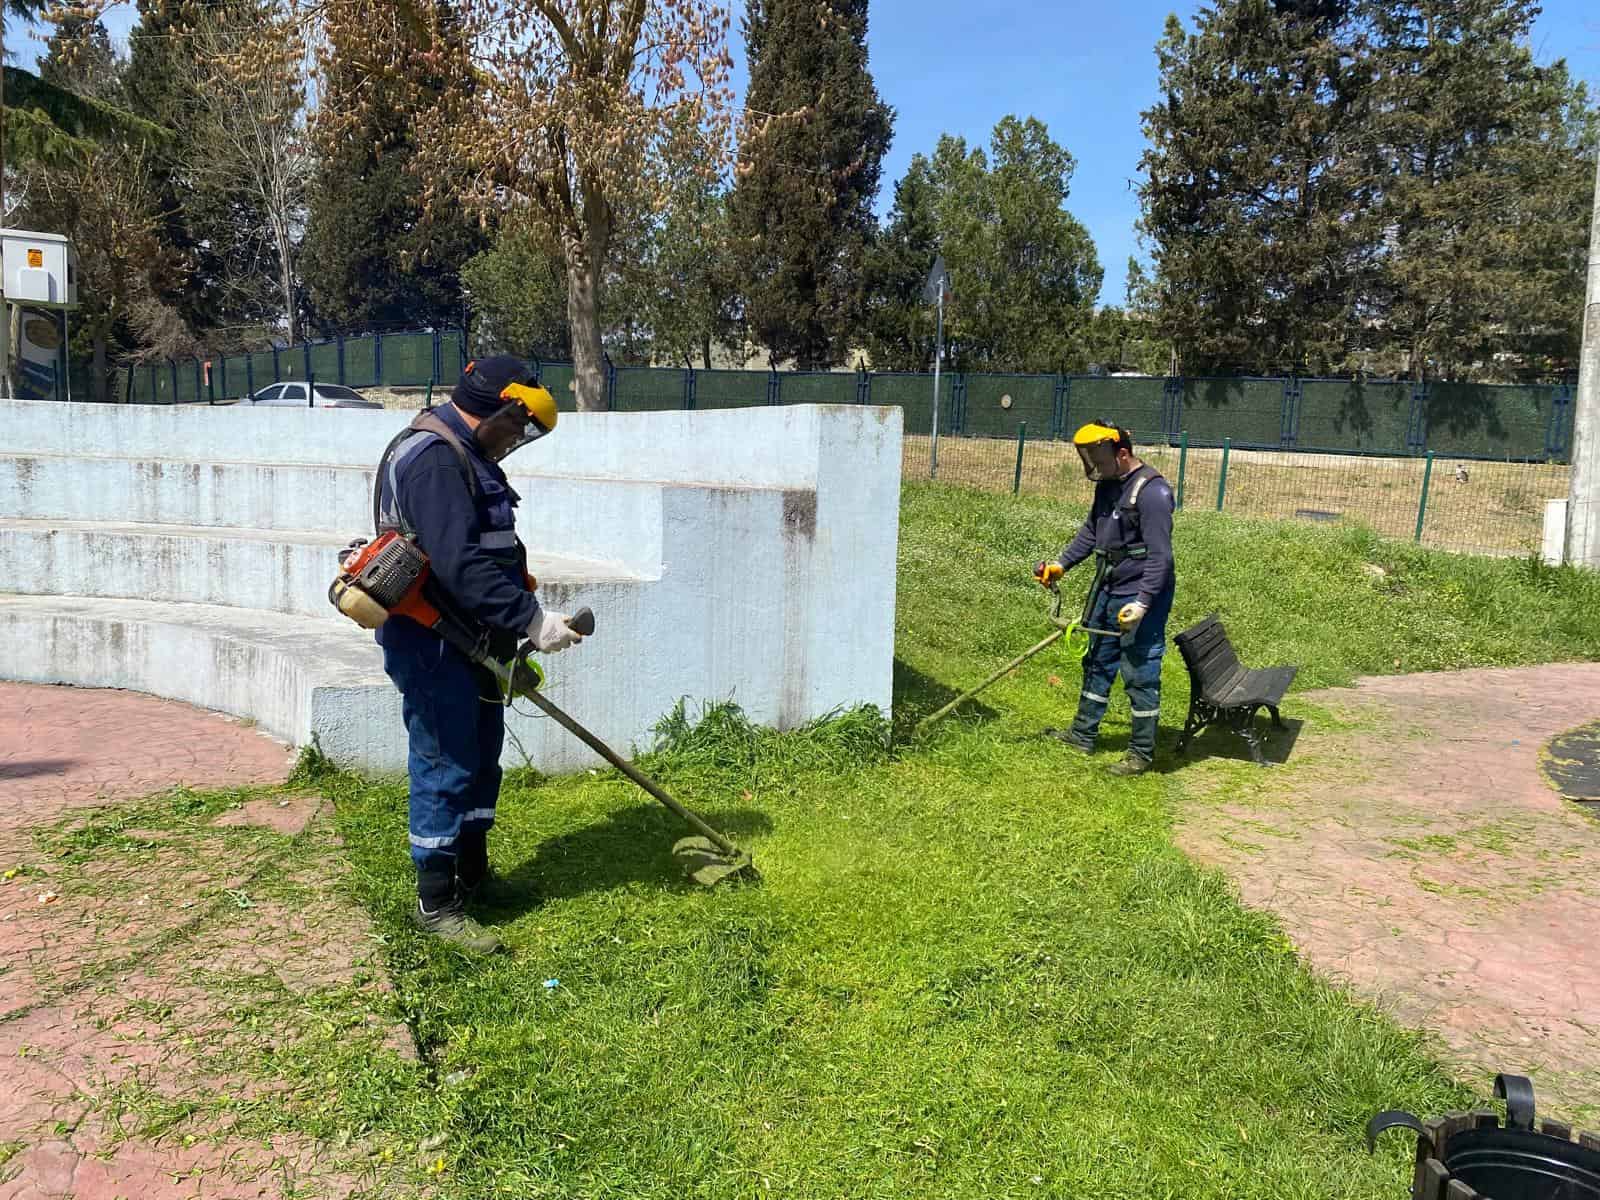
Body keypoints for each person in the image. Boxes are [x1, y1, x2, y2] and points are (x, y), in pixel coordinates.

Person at [372, 355, 585, 953]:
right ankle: (436, 904)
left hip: (479, 638)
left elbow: (492, 550)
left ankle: (474, 877)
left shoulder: (469, 454)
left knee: (482, 757)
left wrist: (512, 626)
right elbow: (459, 566)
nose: (519, 440)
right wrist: (532, 619)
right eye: (521, 427)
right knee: (446, 763)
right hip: (434, 641)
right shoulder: (435, 458)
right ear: (506, 407)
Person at [1033, 420, 1176, 776]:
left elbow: (1161, 557)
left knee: (1140, 672)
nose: (1093, 464)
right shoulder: (1109, 486)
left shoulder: (1152, 493)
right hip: (1108, 588)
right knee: (1097, 661)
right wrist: (1061, 565)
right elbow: (1092, 532)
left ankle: (1141, 754)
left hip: (1140, 595)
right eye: (1089, 456)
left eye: (1098, 456)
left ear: (1122, 453)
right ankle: (1082, 735)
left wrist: (1142, 604)